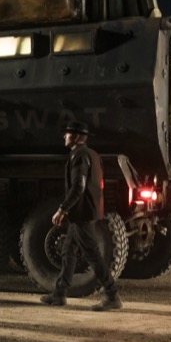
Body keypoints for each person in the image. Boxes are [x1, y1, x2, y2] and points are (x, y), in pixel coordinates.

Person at [39, 120, 122, 311]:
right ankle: (59, 294)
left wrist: (62, 209)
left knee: (92, 254)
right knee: (68, 251)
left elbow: (79, 187)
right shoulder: (92, 154)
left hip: (82, 213)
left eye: (67, 133)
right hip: (85, 212)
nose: (64, 136)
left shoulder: (80, 155)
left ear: (75, 137)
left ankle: (112, 295)